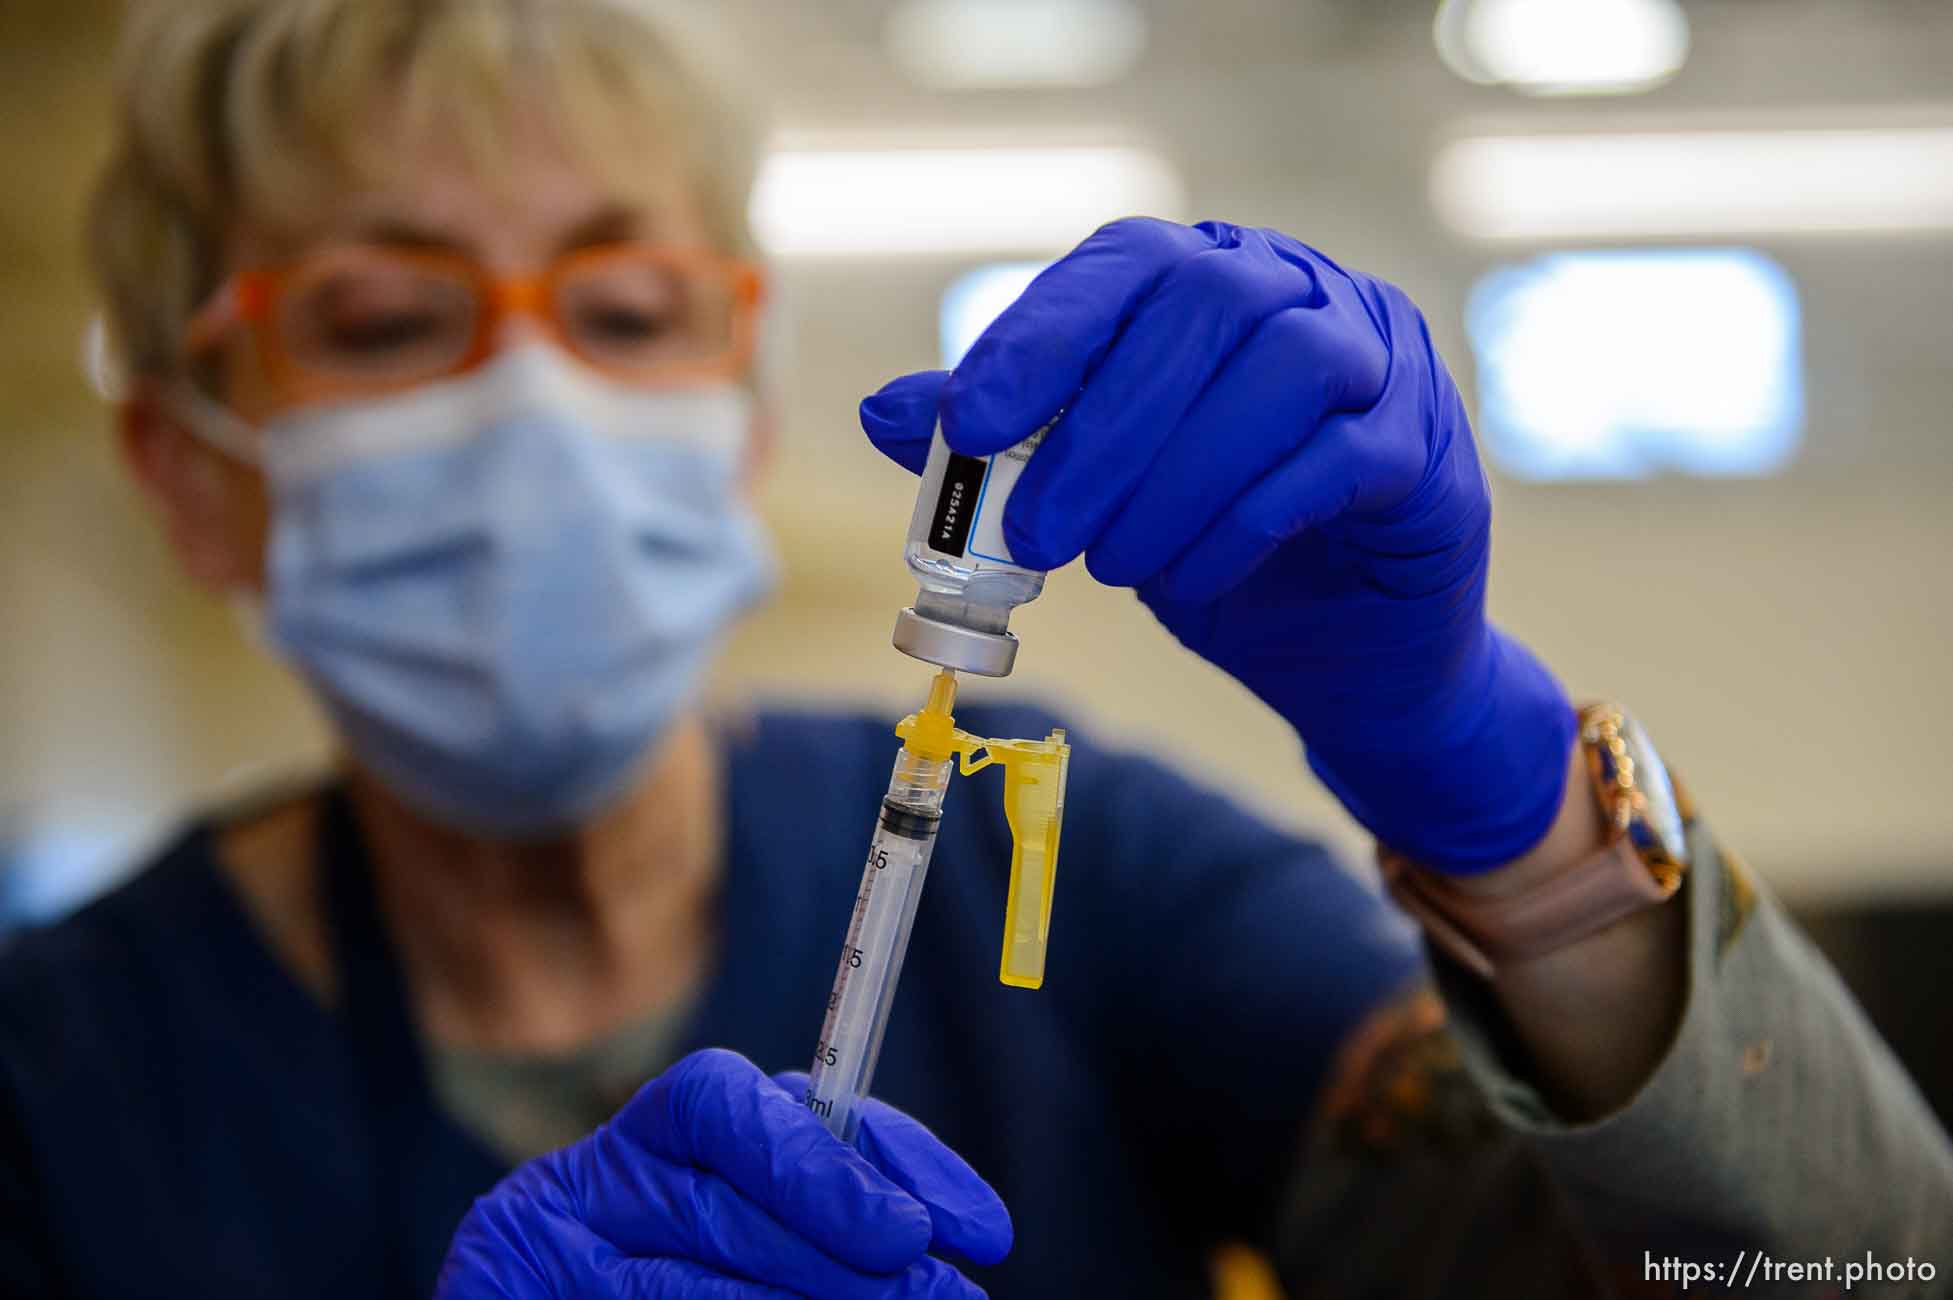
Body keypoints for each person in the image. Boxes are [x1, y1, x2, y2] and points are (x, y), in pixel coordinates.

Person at [2, 1, 1948, 1297]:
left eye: (624, 295)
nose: (537, 396)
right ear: (192, 469)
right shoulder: (57, 1073)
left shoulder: (1073, 869)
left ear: (745, 410)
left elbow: (1842, 1272)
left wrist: (1503, 795)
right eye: (378, 319)